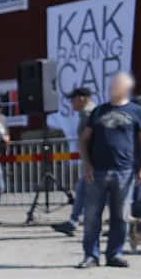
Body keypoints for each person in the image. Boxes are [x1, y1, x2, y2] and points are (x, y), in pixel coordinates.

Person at [77, 73, 141, 268]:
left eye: (117, 86)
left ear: (127, 89)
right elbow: (84, 139)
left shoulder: (137, 111)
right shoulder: (98, 111)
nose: (112, 89)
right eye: (111, 86)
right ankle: (91, 256)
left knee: (121, 216)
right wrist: (87, 164)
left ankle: (115, 254)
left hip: (125, 172)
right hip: (97, 172)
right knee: (92, 216)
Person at [52, 87, 98, 235]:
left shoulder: (89, 114)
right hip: (94, 160)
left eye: (73, 100)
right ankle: (73, 222)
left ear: (82, 99)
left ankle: (121, 223)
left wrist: (88, 162)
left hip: (94, 161)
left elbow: (88, 140)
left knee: (104, 192)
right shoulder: (91, 113)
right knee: (82, 189)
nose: (71, 104)